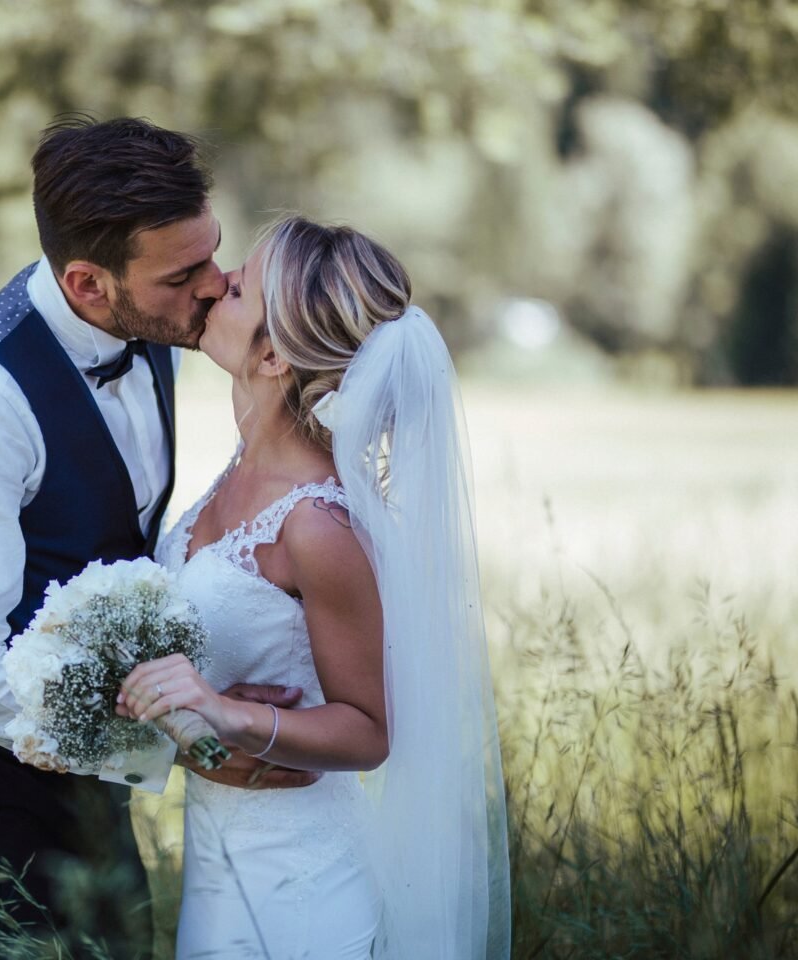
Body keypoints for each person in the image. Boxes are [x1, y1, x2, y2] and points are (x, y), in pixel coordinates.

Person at [0, 117, 315, 958]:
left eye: (213, 255)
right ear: (87, 283)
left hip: (90, 765)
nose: (216, 287)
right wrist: (182, 739)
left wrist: (211, 693)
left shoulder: (153, 326)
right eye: (182, 275)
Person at [119, 216, 512, 958]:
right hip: (217, 866)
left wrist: (230, 716)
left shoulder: (318, 525)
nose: (215, 286)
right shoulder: (235, 472)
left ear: (272, 356)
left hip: (302, 888)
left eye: (238, 289)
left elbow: (370, 730)